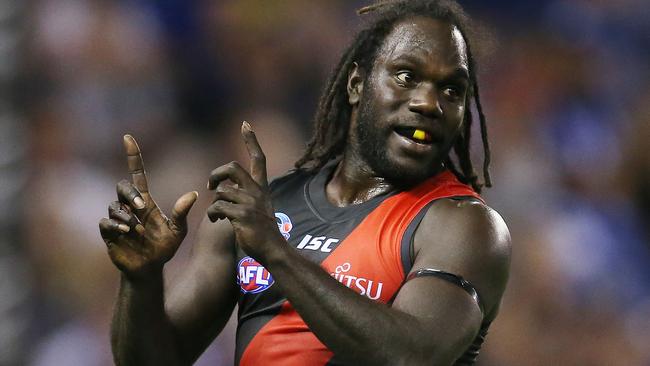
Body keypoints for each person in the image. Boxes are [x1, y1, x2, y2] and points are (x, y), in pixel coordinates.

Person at [99, 1, 511, 365]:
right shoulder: (263, 209)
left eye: (452, 89)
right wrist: (142, 278)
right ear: (357, 85)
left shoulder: (465, 226)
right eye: (406, 77)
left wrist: (276, 252)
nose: (428, 103)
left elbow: (410, 356)